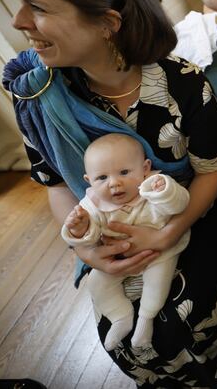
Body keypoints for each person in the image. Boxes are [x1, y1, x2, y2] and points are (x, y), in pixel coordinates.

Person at [2, 0, 217, 386]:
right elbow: (59, 185)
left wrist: (168, 232)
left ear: (106, 23)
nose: (18, 21)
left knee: (174, 321)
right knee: (118, 335)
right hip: (108, 224)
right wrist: (85, 249)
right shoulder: (40, 96)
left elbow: (212, 171)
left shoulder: (183, 84)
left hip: (192, 210)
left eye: (36, 8)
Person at [62, 134, 191, 351]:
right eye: (101, 178)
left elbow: (179, 204)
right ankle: (121, 316)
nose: (114, 183)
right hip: (116, 257)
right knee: (96, 283)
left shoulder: (153, 188)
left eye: (124, 172)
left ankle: (145, 319)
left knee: (158, 280)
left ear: (145, 168)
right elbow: (91, 238)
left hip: (158, 252)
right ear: (89, 181)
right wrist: (79, 228)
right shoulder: (92, 204)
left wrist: (165, 192)